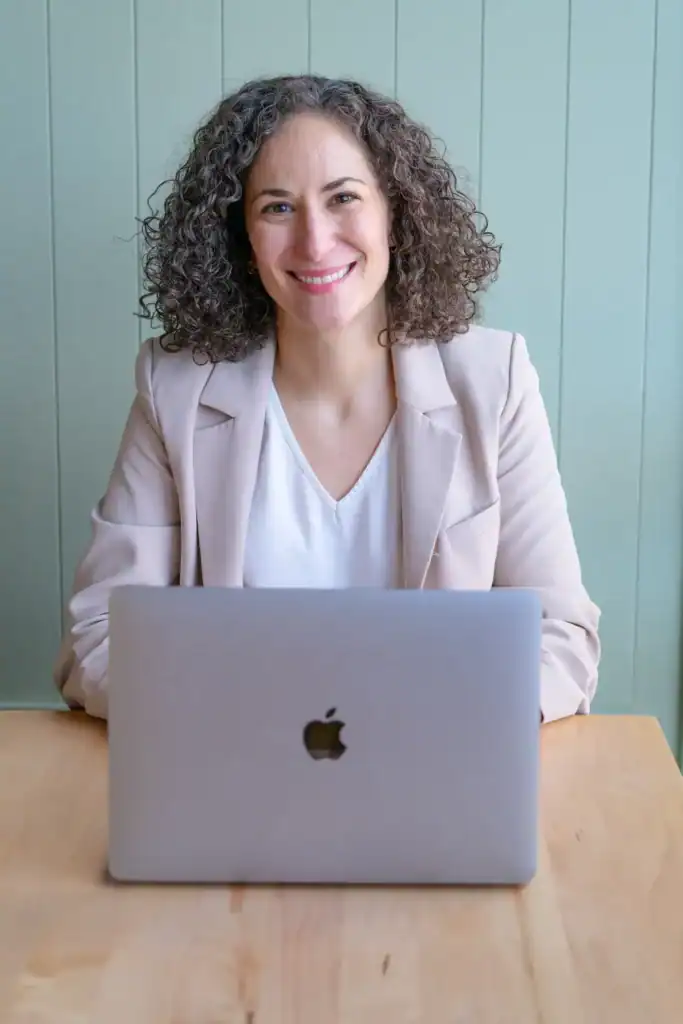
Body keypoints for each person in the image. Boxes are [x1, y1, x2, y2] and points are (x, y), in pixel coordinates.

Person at [54, 73, 600, 723]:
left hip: (431, 766)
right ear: (241, 239)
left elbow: (562, 638)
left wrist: (444, 726)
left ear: (394, 213)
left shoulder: (492, 378)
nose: (314, 242)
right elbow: (99, 636)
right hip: (235, 769)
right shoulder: (173, 386)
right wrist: (229, 719)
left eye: (342, 198)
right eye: (276, 207)